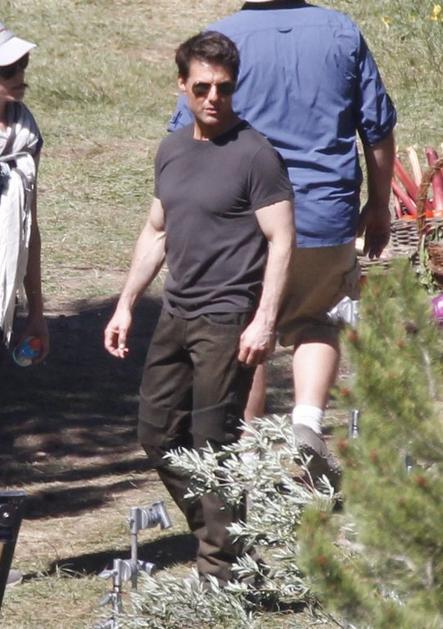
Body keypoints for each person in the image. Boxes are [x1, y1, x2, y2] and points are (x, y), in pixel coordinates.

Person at [169, 1, 397, 485]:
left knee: (247, 330)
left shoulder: (223, 37)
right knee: (316, 318)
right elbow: (376, 128)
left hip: (245, 219)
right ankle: (307, 422)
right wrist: (379, 204)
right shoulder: (341, 31)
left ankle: (249, 451)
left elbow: (189, 132)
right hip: (324, 214)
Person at [104, 32, 294, 583]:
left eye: (224, 88)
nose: (214, 97)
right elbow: (156, 231)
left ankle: (222, 574)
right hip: (176, 314)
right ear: (182, 85)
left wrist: (264, 320)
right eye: (203, 87)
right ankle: (229, 540)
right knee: (156, 434)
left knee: (214, 445)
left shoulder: (256, 154)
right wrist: (125, 305)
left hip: (228, 320)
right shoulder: (172, 149)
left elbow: (282, 239)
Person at [0, 22, 48, 588]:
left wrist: (35, 309)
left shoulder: (25, 130)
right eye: (8, 69)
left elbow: (31, 227)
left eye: (20, 67)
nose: (20, 76)